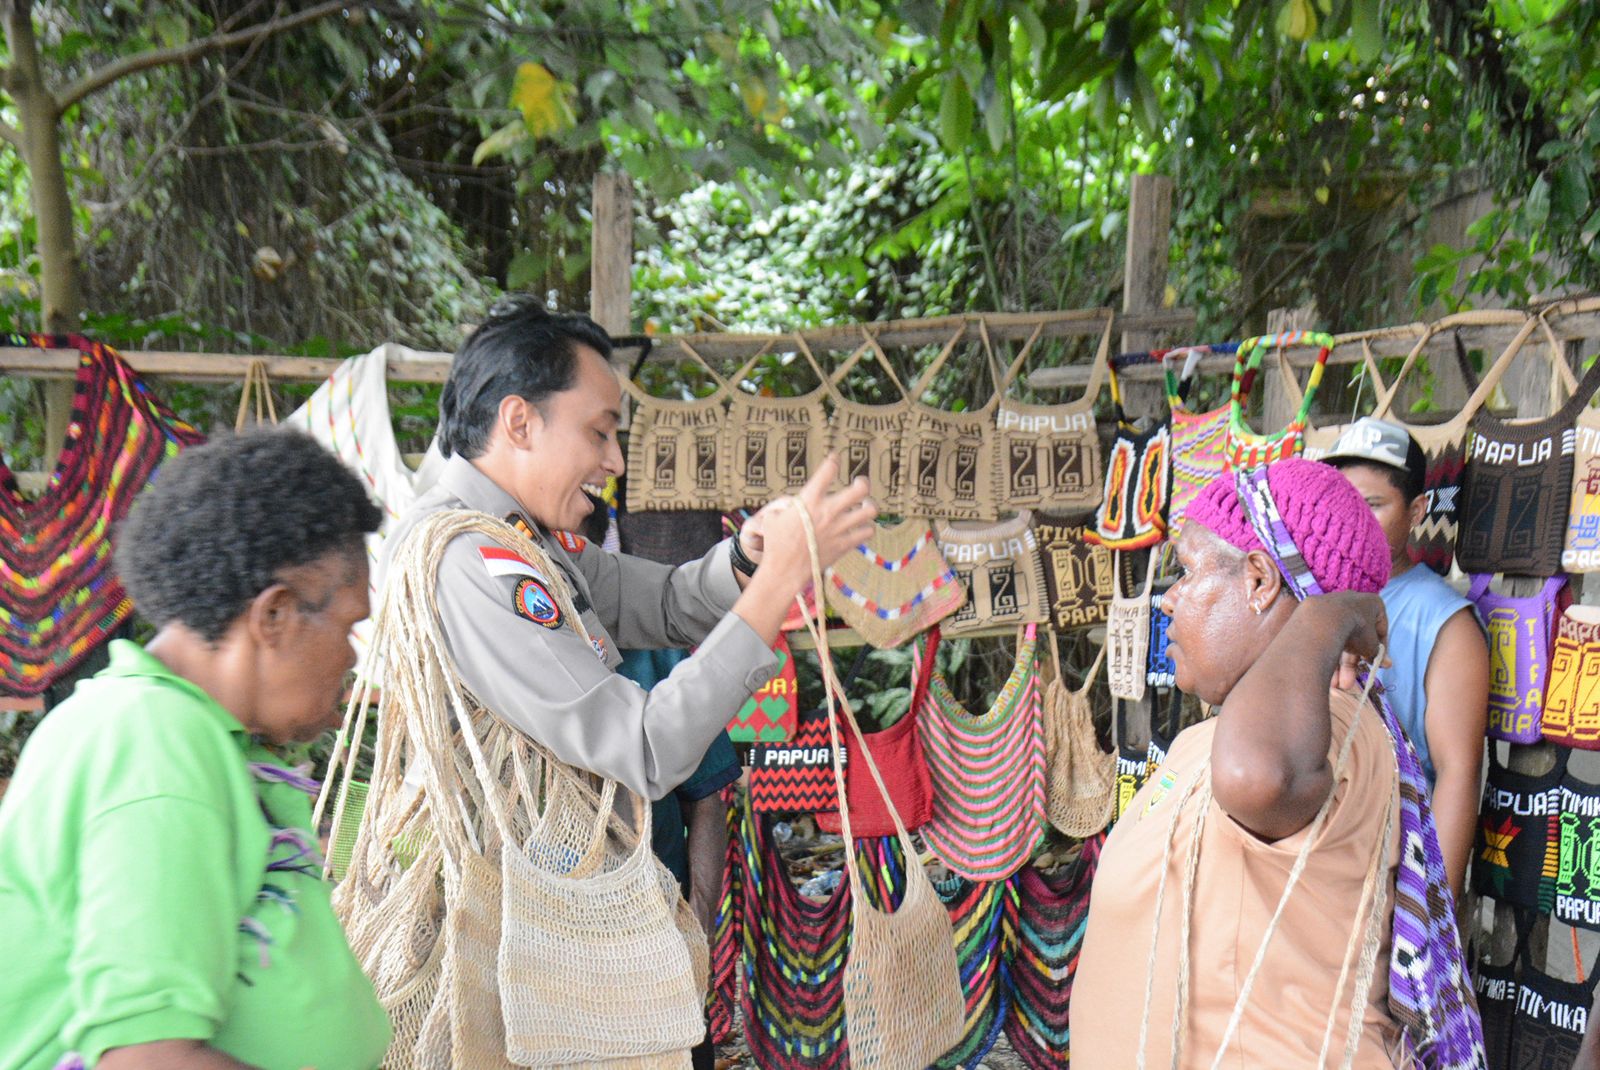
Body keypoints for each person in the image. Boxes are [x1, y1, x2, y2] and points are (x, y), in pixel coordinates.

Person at [1072, 458, 1483, 1069]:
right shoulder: (1212, 736)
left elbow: (1257, 777)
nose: (1168, 601)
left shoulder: (1330, 726)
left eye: (1186, 572)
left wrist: (1329, 614)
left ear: (1261, 581)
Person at [0, 430, 391, 1070]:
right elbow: (145, 1058)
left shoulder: (194, 734)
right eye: (350, 626)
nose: (352, 658)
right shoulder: (151, 742)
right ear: (274, 617)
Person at [384, 296, 876, 802]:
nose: (616, 462)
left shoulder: (525, 539)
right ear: (520, 423)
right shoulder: (469, 557)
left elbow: (664, 601)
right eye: (599, 433)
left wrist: (749, 557)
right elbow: (641, 748)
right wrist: (778, 583)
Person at [1323, 416, 1489, 898]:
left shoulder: (1444, 622)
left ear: (1417, 510)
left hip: (1388, 871)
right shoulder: (1309, 598)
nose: (1352, 518)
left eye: (1373, 504)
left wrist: (1433, 908)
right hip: (1307, 865)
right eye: (1340, 501)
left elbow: (1458, 773)